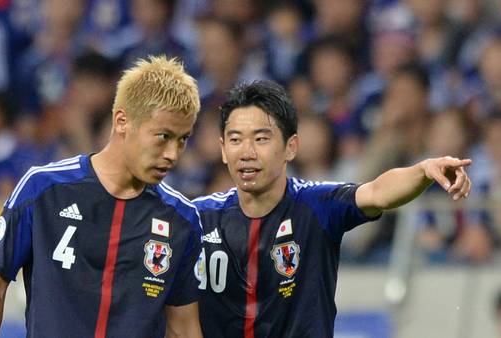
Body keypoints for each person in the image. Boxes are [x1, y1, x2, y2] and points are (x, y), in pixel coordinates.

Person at [192, 80, 472, 337]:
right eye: (236, 139)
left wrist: (422, 171)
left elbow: (377, 192)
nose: (247, 151)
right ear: (223, 149)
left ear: (291, 147)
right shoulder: (198, 218)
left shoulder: (316, 205)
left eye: (261, 139)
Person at [0, 56, 204, 338]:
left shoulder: (181, 218)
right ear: (122, 121)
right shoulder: (43, 189)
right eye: (163, 136)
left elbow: (183, 328)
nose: (173, 154)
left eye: (183, 139)